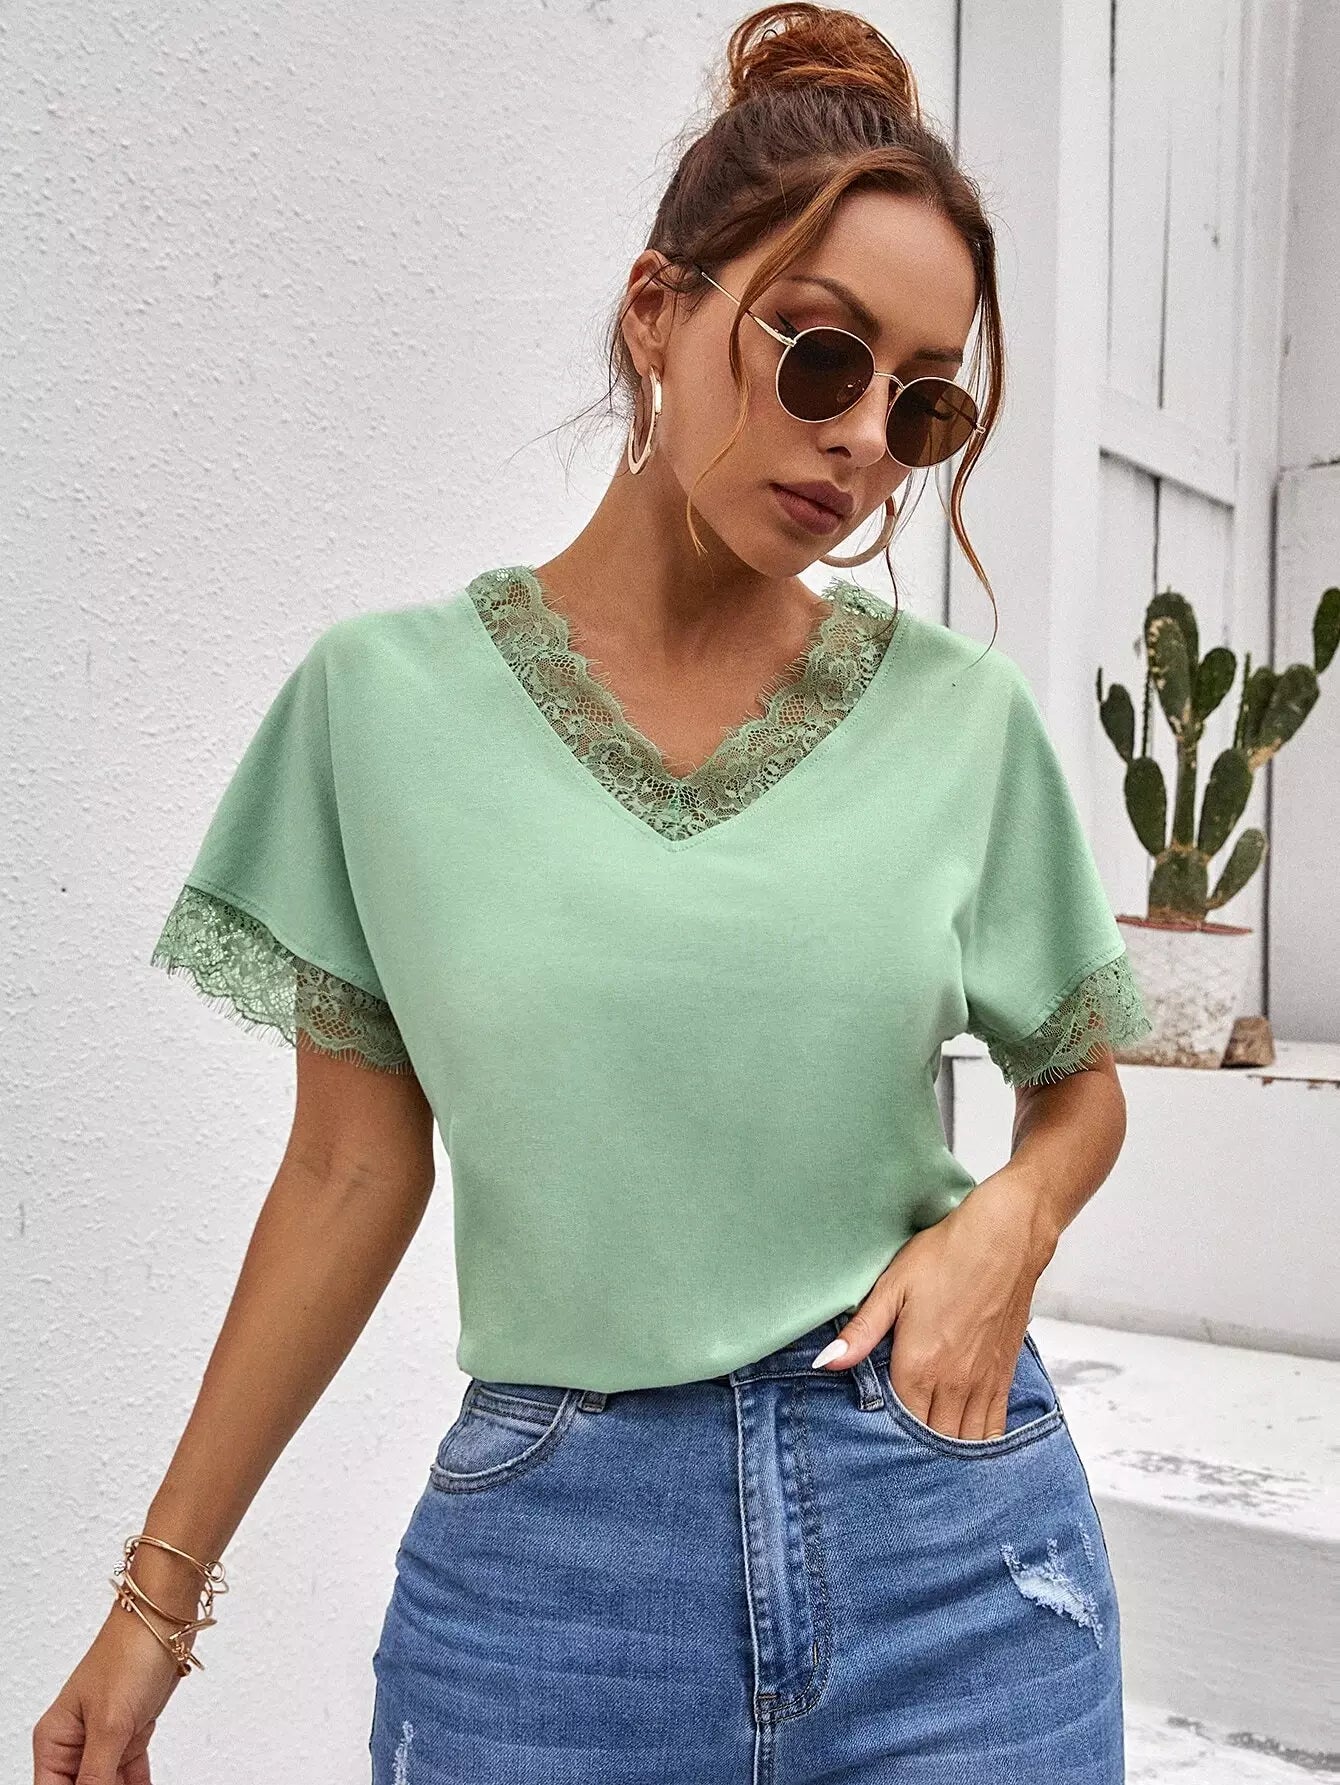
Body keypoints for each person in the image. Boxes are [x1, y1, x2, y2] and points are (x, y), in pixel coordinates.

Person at [34, 5, 1154, 1781]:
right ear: (657, 311)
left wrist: (1009, 1221)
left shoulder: (961, 722)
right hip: (551, 1596)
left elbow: (1077, 1090)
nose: (865, 438)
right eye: (821, 356)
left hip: (953, 1552)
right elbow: (346, 1170)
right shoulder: (382, 709)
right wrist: (151, 1605)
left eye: (921, 400)